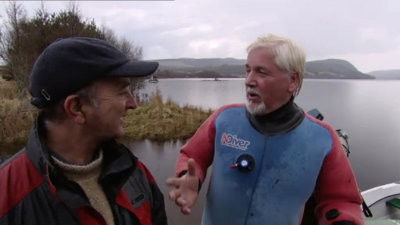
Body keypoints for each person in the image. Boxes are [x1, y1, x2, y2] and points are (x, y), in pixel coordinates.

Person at [167, 34, 363, 225]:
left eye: (261, 71)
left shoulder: (322, 138)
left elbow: (342, 200)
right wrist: (188, 177)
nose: (249, 80)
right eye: (248, 70)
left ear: (293, 81)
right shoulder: (225, 118)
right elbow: (192, 156)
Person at [0, 37, 167, 225]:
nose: (133, 104)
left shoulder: (135, 174)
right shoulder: (7, 197)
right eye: (121, 91)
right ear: (77, 107)